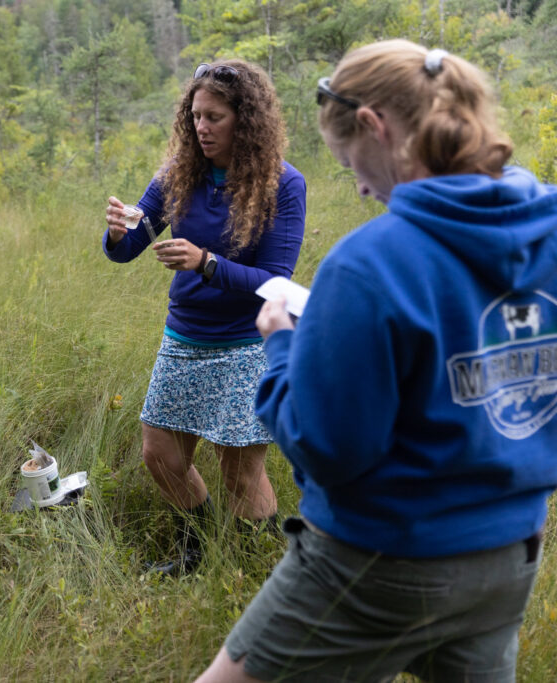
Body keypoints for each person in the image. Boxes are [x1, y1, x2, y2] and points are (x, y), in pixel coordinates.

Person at [198, 40, 557, 682]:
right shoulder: (547, 228)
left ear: (374, 126)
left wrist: (282, 347)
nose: (361, 188)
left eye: (351, 164)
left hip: (377, 560)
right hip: (509, 556)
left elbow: (331, 448)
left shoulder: (373, 263)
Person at [103, 60, 306, 576]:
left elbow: (275, 282)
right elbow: (128, 249)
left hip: (246, 342)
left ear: (246, 120)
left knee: (240, 469)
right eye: (195, 115)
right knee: (161, 454)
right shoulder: (178, 173)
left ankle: (253, 570)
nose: (202, 127)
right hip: (185, 336)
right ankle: (197, 554)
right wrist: (121, 231)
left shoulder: (282, 184)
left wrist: (207, 263)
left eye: (215, 116)